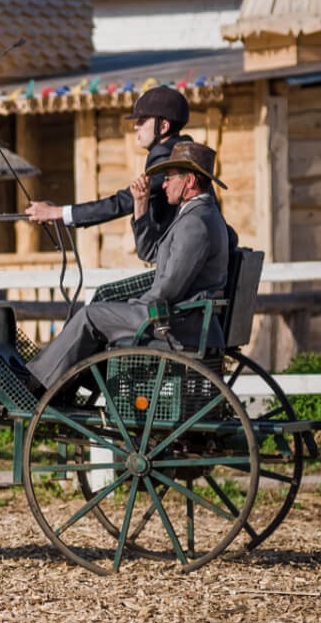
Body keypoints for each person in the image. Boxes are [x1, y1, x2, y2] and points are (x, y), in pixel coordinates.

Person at [26, 141, 230, 392]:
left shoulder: (195, 223)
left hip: (174, 324)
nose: (164, 184)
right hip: (181, 318)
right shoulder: (200, 215)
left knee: (90, 315)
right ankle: (66, 386)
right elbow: (150, 252)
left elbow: (169, 288)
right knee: (100, 311)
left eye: (168, 178)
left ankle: (34, 384)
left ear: (189, 181)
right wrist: (140, 204)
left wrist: (133, 306)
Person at [25, 85, 203, 260]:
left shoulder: (168, 163)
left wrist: (57, 213)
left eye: (142, 120)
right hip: (173, 260)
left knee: (105, 291)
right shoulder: (176, 156)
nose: (135, 126)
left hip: (179, 266)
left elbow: (120, 203)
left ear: (163, 126)